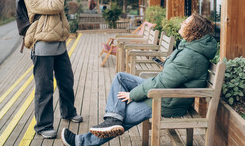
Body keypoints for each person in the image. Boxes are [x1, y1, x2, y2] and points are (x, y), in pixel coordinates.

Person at [61, 13, 217, 146]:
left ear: (193, 30)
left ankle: (81, 141)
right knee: (121, 78)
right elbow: (167, 78)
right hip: (166, 92)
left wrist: (132, 95)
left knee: (126, 114)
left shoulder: (191, 55)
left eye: (186, 22)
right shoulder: (190, 47)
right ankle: (113, 118)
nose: (182, 23)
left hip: (166, 101)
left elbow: (162, 83)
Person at [18, 0, 83, 139]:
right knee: (44, 88)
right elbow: (55, 6)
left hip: (59, 45)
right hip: (43, 47)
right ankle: (43, 125)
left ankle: (68, 112)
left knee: (66, 82)